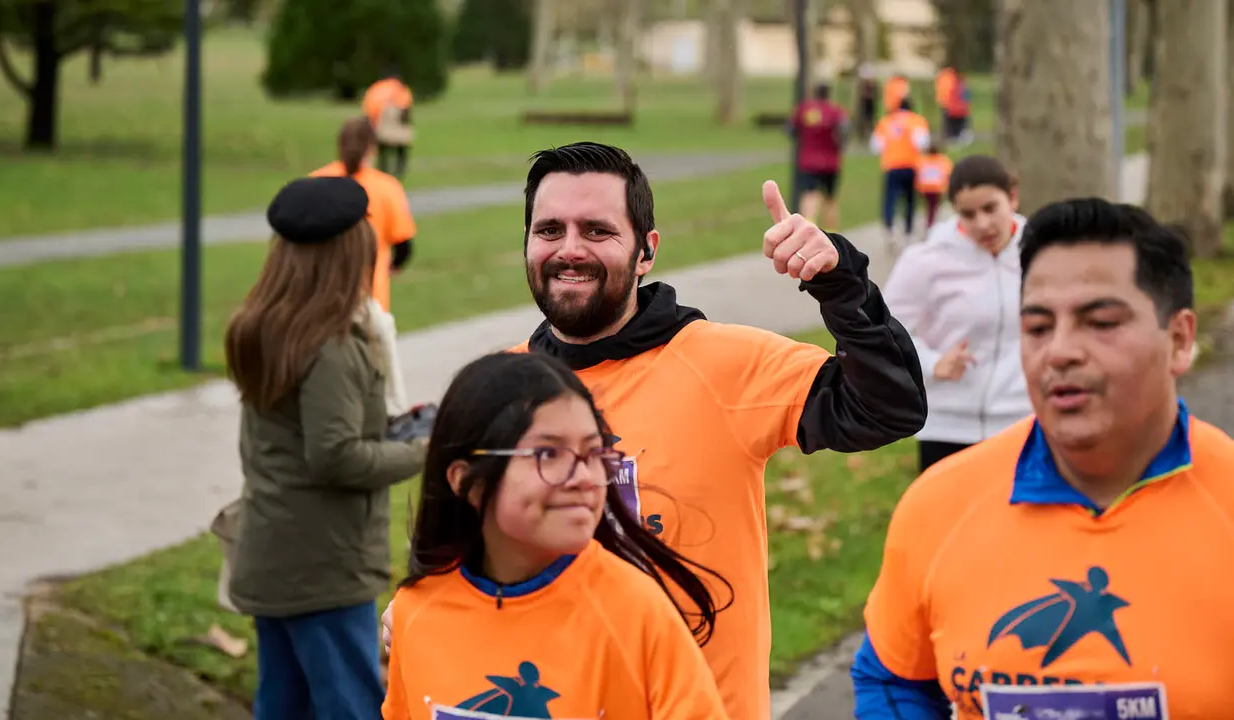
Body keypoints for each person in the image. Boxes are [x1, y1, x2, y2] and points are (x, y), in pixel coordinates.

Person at [388, 141, 928, 720]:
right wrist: (424, 606)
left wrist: (840, 283)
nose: (569, 249)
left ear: (646, 252)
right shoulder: (498, 388)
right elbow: (461, 544)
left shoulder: (724, 365)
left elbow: (889, 407)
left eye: (597, 230)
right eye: (549, 230)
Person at [852, 198, 1234, 719]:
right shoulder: (940, 505)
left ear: (1180, 339)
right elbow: (892, 677)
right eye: (1036, 328)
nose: (1059, 352)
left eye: (1100, 322)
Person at [382, 352, 730, 719]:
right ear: (467, 480)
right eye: (549, 453)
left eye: (594, 452)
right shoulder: (415, 612)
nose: (583, 477)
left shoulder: (635, 612)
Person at [224, 176, 428, 720]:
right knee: (351, 706)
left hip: (274, 555)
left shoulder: (267, 326)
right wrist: (429, 448)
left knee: (283, 704)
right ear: (351, 254)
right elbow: (336, 456)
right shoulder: (332, 346)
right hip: (323, 567)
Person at [882, 155, 1030, 472]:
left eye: (991, 208)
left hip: (1024, 423)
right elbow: (884, 333)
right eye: (968, 214)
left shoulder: (1042, 252)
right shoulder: (926, 261)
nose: (982, 224)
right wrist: (934, 364)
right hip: (947, 426)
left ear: (1013, 197)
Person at [311, 116, 417, 416]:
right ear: (372, 147)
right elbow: (405, 245)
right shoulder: (386, 187)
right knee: (374, 388)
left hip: (320, 300)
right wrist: (393, 267)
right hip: (370, 300)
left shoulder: (317, 182)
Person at [871, 97, 931, 252]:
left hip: (891, 165)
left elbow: (876, 145)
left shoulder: (886, 121)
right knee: (910, 200)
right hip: (911, 165)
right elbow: (922, 142)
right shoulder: (917, 121)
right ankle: (908, 231)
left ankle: (889, 228)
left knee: (890, 199)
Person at [789, 82, 850, 230]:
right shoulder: (836, 111)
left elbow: (790, 129)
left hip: (809, 160)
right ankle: (831, 233)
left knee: (809, 195)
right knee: (830, 199)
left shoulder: (804, 110)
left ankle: (808, 226)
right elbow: (845, 131)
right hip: (831, 162)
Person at [362, 69, 414, 179]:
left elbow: (369, 108)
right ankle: (400, 170)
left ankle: (383, 170)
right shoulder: (400, 88)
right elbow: (406, 107)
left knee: (382, 148)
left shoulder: (376, 88)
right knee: (401, 147)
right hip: (397, 122)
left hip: (381, 122)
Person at [914, 142, 953, 231]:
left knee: (929, 207)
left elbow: (918, 174)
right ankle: (932, 224)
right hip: (937, 188)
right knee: (934, 207)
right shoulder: (943, 160)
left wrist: (918, 188)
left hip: (926, 188)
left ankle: (930, 224)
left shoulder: (922, 160)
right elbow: (947, 174)